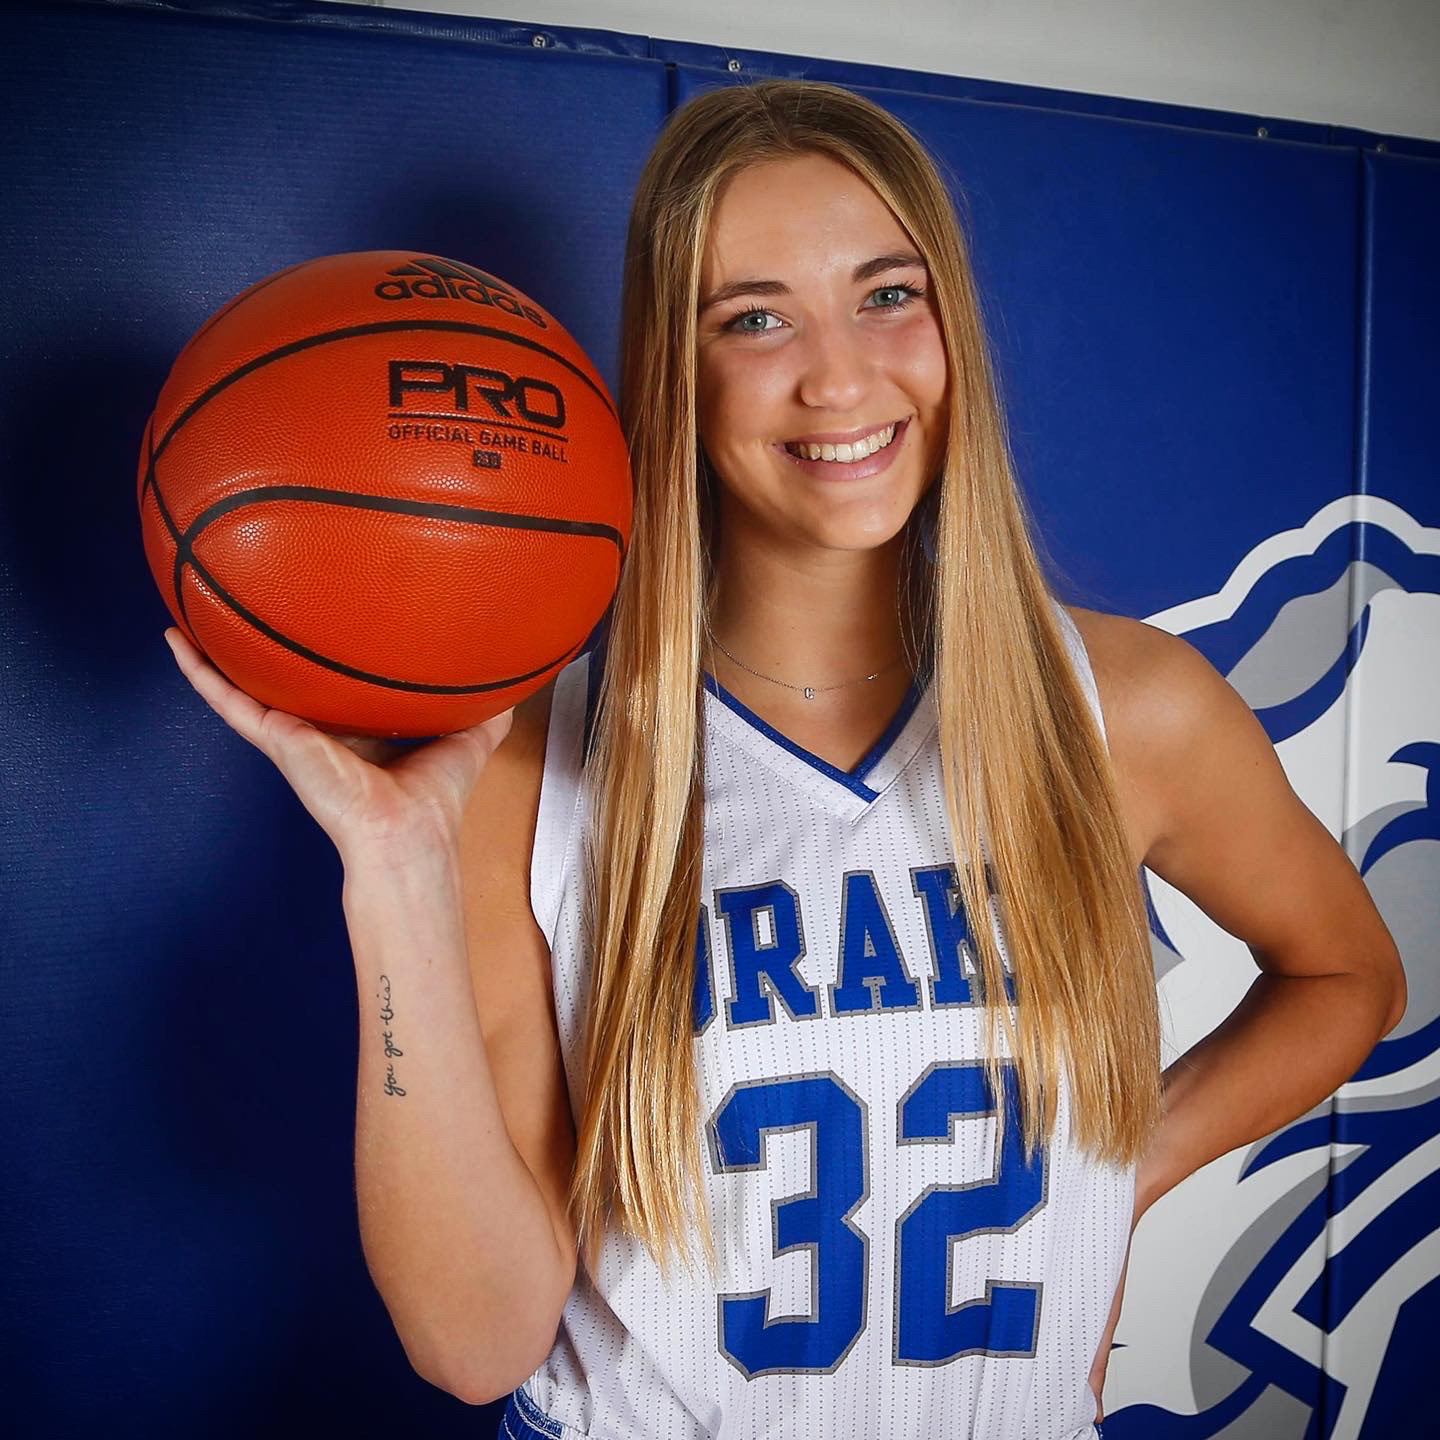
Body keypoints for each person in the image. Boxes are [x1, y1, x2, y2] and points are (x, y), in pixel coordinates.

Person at [162, 78, 1406, 1440]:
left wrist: (1127, 1171)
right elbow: (478, 1344)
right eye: (754, 318)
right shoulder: (532, 760)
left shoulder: (1123, 708)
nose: (841, 376)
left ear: (953, 330)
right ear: (674, 371)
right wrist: (394, 870)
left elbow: (1349, 974)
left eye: (888, 294)